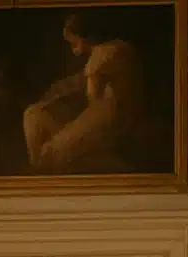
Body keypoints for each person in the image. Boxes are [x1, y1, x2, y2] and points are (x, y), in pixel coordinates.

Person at [23, 12, 144, 175]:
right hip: (122, 116)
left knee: (49, 148)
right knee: (40, 119)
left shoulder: (100, 56)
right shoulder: (121, 48)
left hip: (106, 122)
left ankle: (41, 173)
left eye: (74, 43)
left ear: (86, 37)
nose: (74, 50)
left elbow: (91, 96)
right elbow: (78, 83)